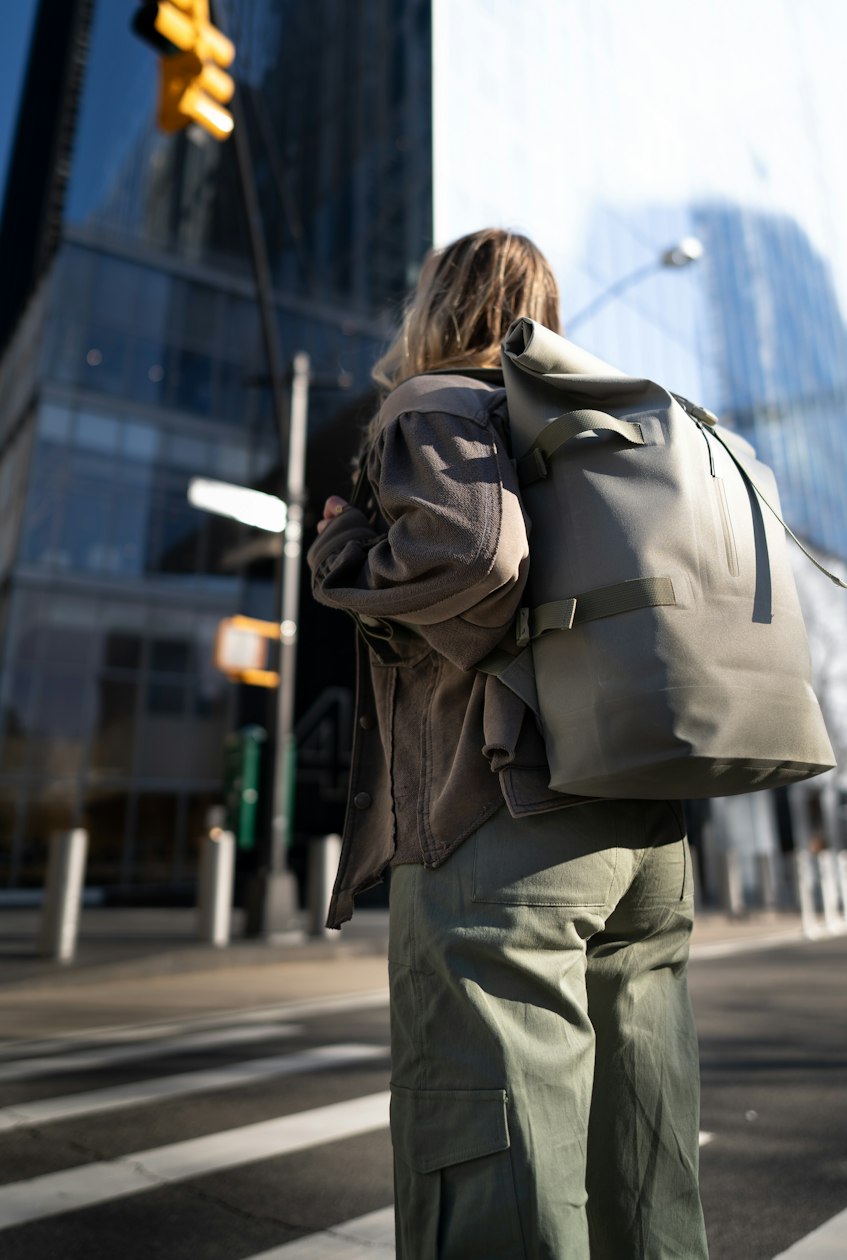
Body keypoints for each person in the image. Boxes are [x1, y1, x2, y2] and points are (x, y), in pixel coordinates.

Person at [308, 228, 709, 1260]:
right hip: (643, 828)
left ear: (436, 305)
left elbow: (476, 556)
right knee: (646, 1167)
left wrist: (343, 551)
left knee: (494, 1170)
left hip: (501, 824)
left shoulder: (438, 400)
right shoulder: (586, 426)